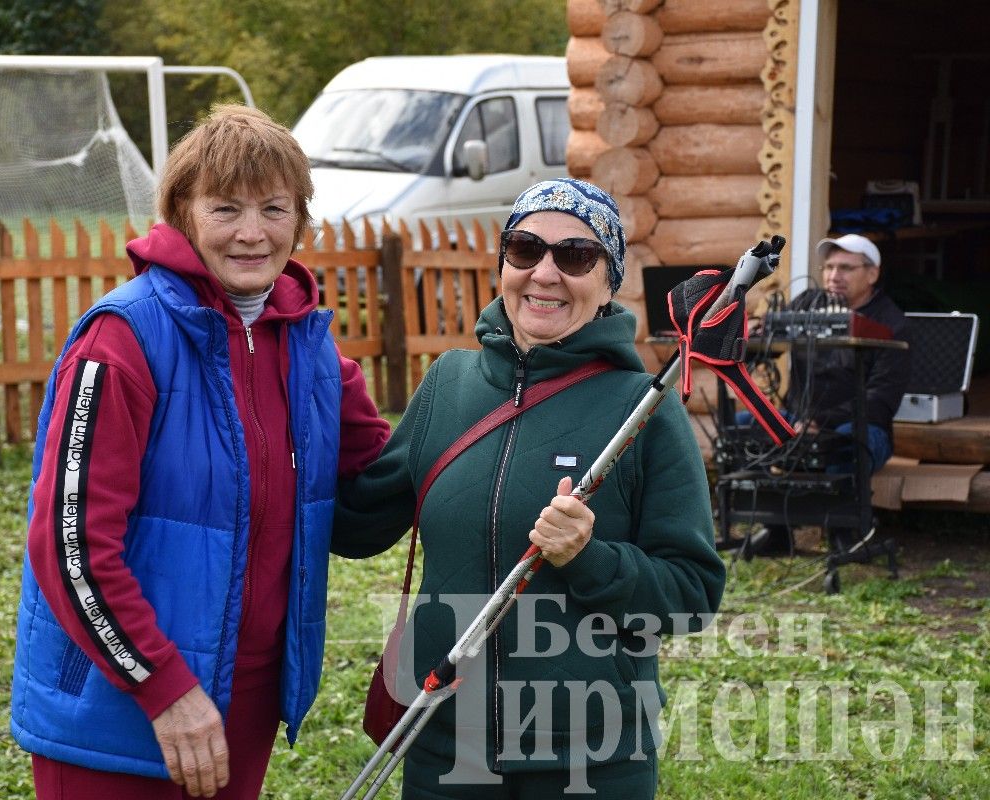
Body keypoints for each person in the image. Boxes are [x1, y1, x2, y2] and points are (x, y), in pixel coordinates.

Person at [10, 104, 390, 800]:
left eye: (274, 209)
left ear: (301, 222)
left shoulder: (312, 350)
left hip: (242, 706)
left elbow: (387, 477)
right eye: (226, 209)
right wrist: (164, 689)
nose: (252, 233)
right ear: (182, 213)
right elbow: (69, 548)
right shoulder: (123, 343)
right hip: (118, 708)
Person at [332, 179, 726, 799]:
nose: (545, 273)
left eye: (575, 256)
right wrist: (315, 397)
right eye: (524, 249)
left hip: (586, 757)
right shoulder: (448, 385)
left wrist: (590, 559)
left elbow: (692, 594)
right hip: (442, 740)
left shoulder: (642, 411)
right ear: (503, 266)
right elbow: (355, 524)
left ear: (608, 281)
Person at [747, 233, 909, 555]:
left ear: (872, 274)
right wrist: (751, 338)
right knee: (745, 426)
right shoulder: (808, 302)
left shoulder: (893, 323)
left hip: (863, 427)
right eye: (830, 267)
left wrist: (820, 422)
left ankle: (846, 532)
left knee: (848, 441)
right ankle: (776, 528)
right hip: (800, 417)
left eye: (846, 268)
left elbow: (881, 400)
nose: (835, 276)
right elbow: (766, 346)